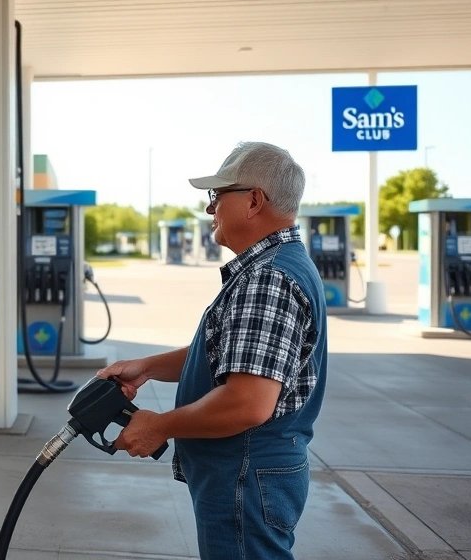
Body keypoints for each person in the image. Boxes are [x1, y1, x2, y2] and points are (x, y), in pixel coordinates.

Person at [97, 141, 327, 560]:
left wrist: (160, 425)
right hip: (250, 476)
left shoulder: (268, 279)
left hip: (245, 475)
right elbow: (232, 354)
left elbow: (246, 403)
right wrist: (146, 367)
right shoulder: (276, 266)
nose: (210, 209)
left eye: (217, 195)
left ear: (254, 200)